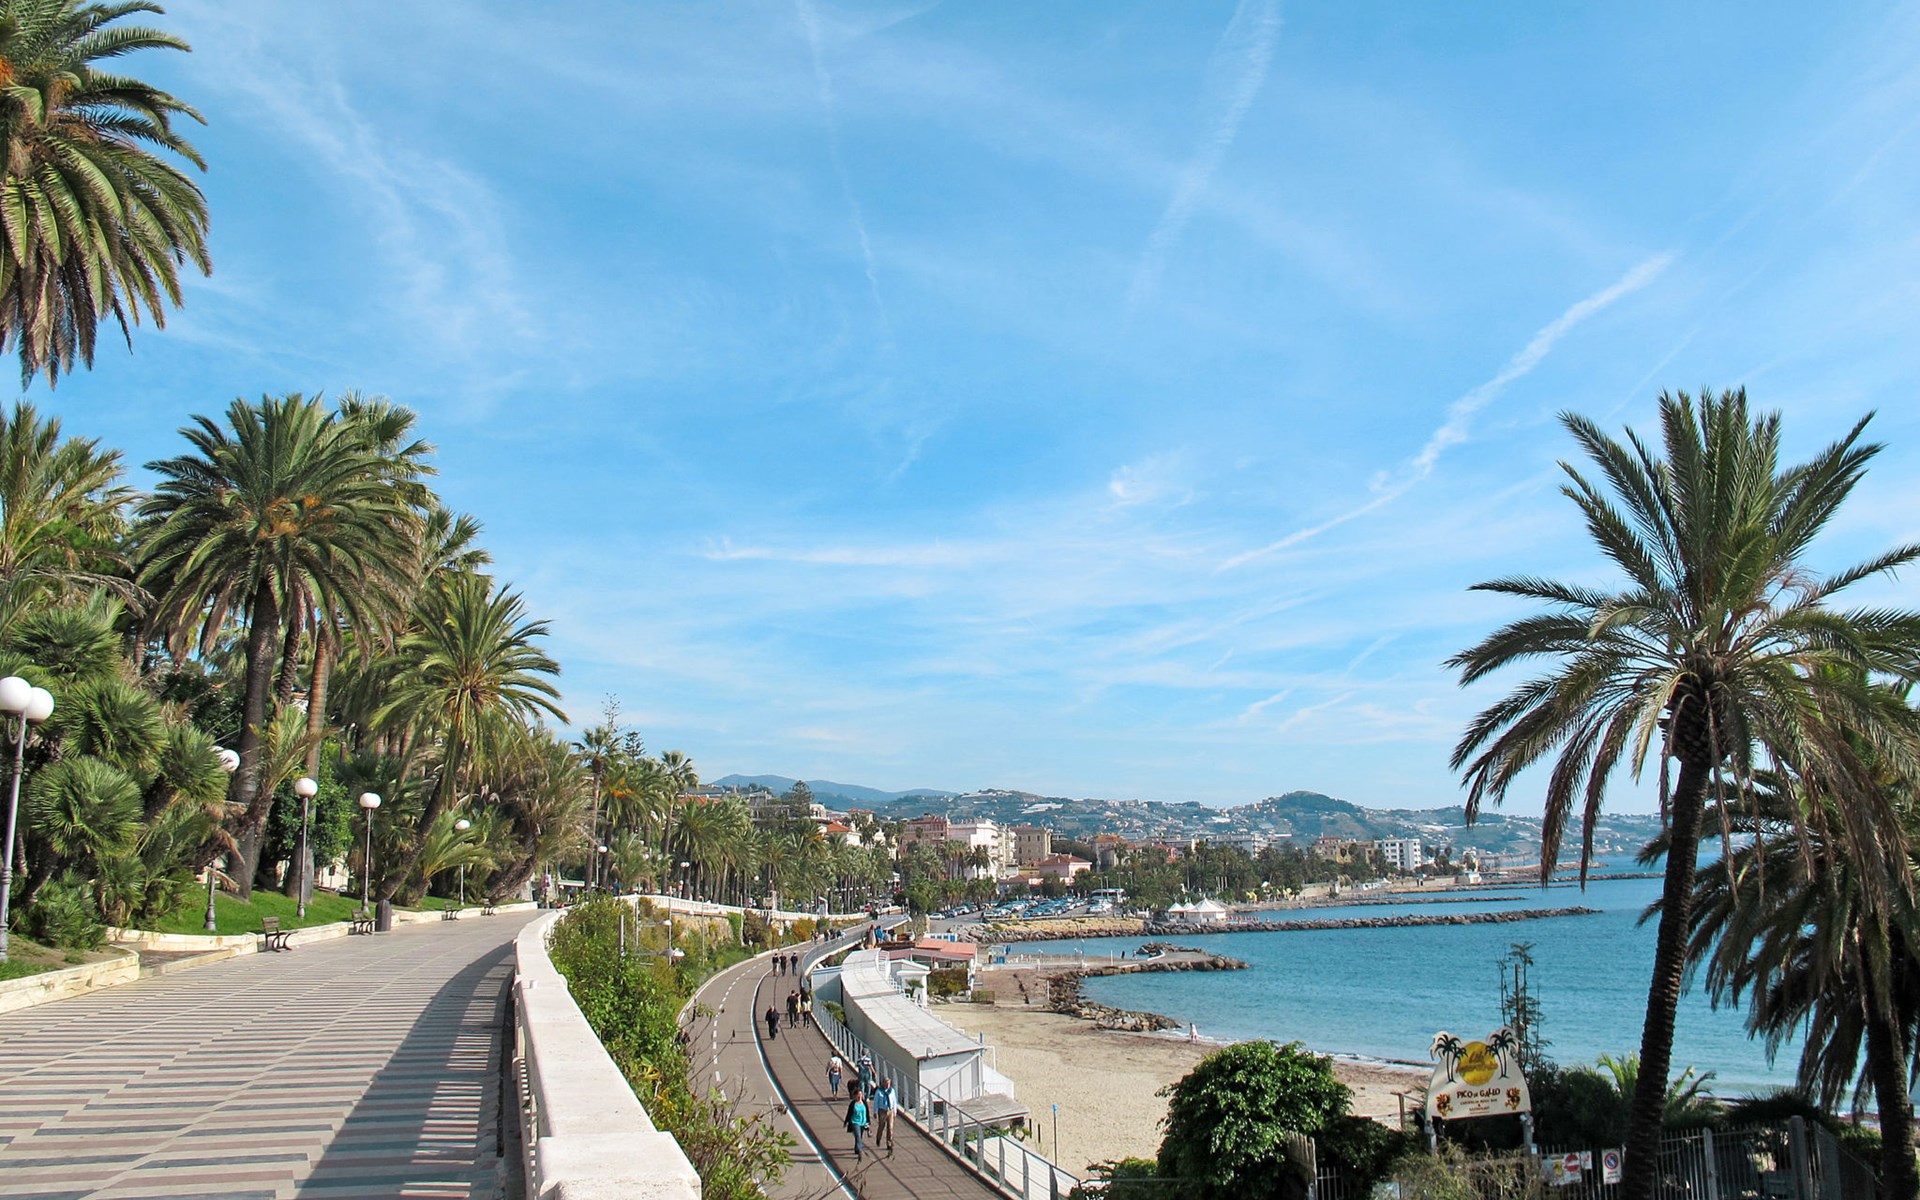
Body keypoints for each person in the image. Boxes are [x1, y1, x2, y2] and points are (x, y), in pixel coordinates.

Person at [845, 1088, 870, 1161]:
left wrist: (868, 1123)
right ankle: (860, 1151)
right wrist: (846, 1121)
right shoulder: (853, 1104)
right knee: (858, 1136)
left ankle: (857, 1148)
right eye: (858, 1095)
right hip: (855, 1122)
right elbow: (849, 1113)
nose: (859, 1096)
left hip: (863, 1122)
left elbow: (867, 1113)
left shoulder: (864, 1103)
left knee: (859, 1137)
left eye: (861, 1095)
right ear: (855, 1096)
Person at [872, 1077, 896, 1151]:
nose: (888, 1085)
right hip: (882, 1111)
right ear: (883, 1083)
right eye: (886, 1083)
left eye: (889, 1083)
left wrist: (894, 1111)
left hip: (890, 1111)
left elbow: (894, 1101)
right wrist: (875, 1111)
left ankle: (889, 1143)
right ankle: (878, 1138)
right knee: (881, 1126)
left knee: (890, 1128)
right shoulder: (879, 1091)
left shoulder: (892, 1091)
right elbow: (876, 1102)